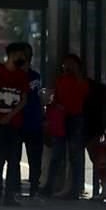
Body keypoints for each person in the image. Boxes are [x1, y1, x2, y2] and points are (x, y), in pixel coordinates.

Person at [0, 42, 30, 206]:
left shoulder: (21, 75)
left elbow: (23, 100)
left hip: (14, 123)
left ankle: (9, 195)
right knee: (1, 158)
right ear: (12, 55)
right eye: (20, 55)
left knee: (13, 160)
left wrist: (10, 115)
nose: (22, 58)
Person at [43, 53, 88, 200]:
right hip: (61, 118)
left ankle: (74, 188)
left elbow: (83, 92)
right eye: (65, 65)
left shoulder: (81, 81)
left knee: (74, 155)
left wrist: (77, 73)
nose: (67, 68)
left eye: (71, 65)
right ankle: (49, 185)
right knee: (57, 154)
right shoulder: (61, 80)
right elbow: (56, 98)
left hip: (75, 118)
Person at [19, 42, 44, 198]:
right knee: (13, 156)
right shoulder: (13, 76)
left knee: (35, 157)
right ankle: (14, 185)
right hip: (17, 119)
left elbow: (38, 97)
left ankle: (34, 185)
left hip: (33, 120)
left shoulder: (35, 76)